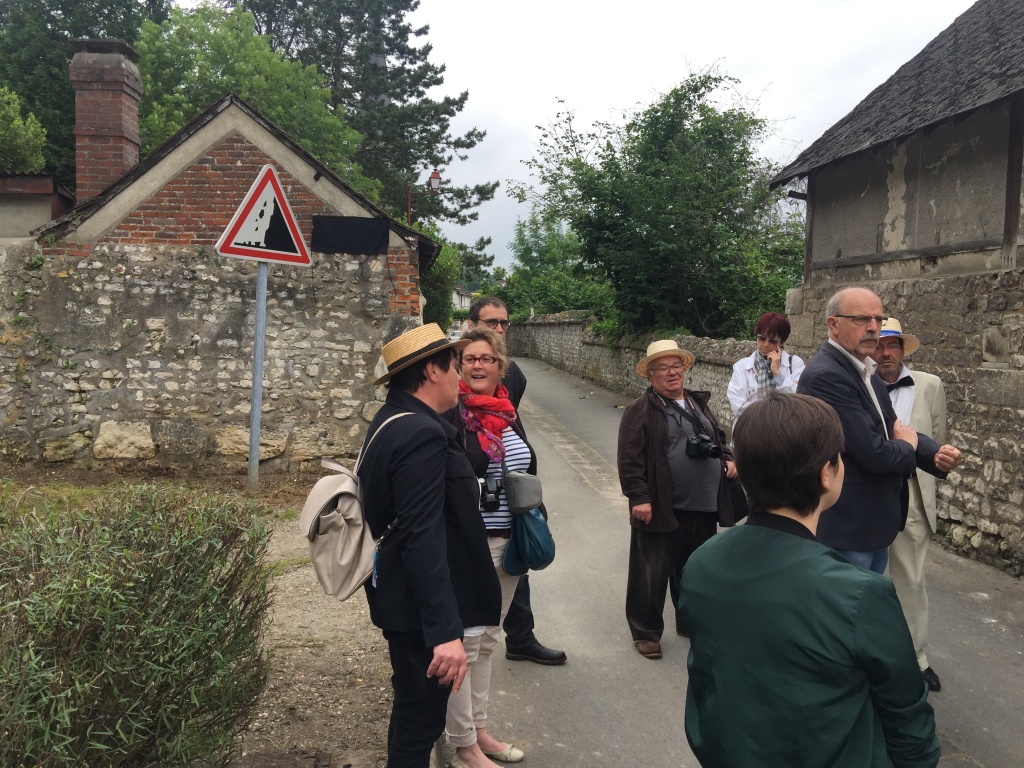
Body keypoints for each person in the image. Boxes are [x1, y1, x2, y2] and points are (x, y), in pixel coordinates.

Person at [679, 392, 940, 768]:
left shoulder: (702, 563)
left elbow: (709, 681)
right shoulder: (859, 593)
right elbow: (908, 720)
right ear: (825, 474)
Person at [358, 324, 501, 768]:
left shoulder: (393, 421)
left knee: (412, 715)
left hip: (404, 599)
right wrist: (443, 633)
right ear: (432, 371)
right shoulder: (421, 433)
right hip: (419, 612)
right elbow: (422, 535)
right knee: (418, 725)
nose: (461, 376)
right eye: (454, 365)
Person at [796, 286, 960, 573]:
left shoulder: (865, 371)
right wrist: (908, 447)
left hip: (870, 527)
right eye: (861, 319)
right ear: (833, 325)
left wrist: (933, 454)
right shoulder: (827, 375)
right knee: (850, 602)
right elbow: (874, 452)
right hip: (848, 529)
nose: (873, 327)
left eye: (878, 319)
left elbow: (894, 428)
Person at [443, 327, 535, 767]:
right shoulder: (452, 415)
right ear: (459, 367)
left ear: (501, 367)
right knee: (465, 643)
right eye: (470, 359)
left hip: (507, 546)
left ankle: (479, 730)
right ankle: (463, 744)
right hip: (469, 547)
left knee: (488, 641)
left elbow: (526, 469)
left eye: (486, 358)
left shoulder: (508, 412)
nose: (478, 365)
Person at [616, 339, 737, 659]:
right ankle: (646, 632)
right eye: (663, 368)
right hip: (661, 506)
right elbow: (629, 457)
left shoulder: (698, 403)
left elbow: (717, 437)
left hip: (703, 505)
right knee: (650, 573)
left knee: (694, 571)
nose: (672, 373)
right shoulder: (640, 410)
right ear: (650, 375)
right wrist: (639, 497)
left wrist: (727, 458)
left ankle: (689, 622)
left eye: (676, 366)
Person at [466, 297, 566, 666]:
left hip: (509, 508)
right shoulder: (454, 381)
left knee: (514, 563)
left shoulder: (514, 374)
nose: (499, 329)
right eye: (490, 322)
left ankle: (520, 637)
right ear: (471, 324)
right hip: (472, 521)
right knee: (471, 629)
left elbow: (511, 428)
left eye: (504, 323)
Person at [872, 318, 950, 693]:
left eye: (893, 345)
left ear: (903, 350)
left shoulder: (930, 385)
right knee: (866, 578)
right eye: (879, 345)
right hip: (869, 493)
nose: (886, 353)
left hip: (912, 494)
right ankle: (869, 658)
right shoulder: (858, 386)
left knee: (912, 580)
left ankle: (917, 659)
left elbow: (937, 440)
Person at [727, 311, 805, 418]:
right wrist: (771, 415)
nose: (766, 344)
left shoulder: (795, 364)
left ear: (781, 342)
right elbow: (738, 407)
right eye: (762, 338)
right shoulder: (741, 367)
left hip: (784, 426)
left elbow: (798, 401)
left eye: (772, 341)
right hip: (751, 426)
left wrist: (777, 373)